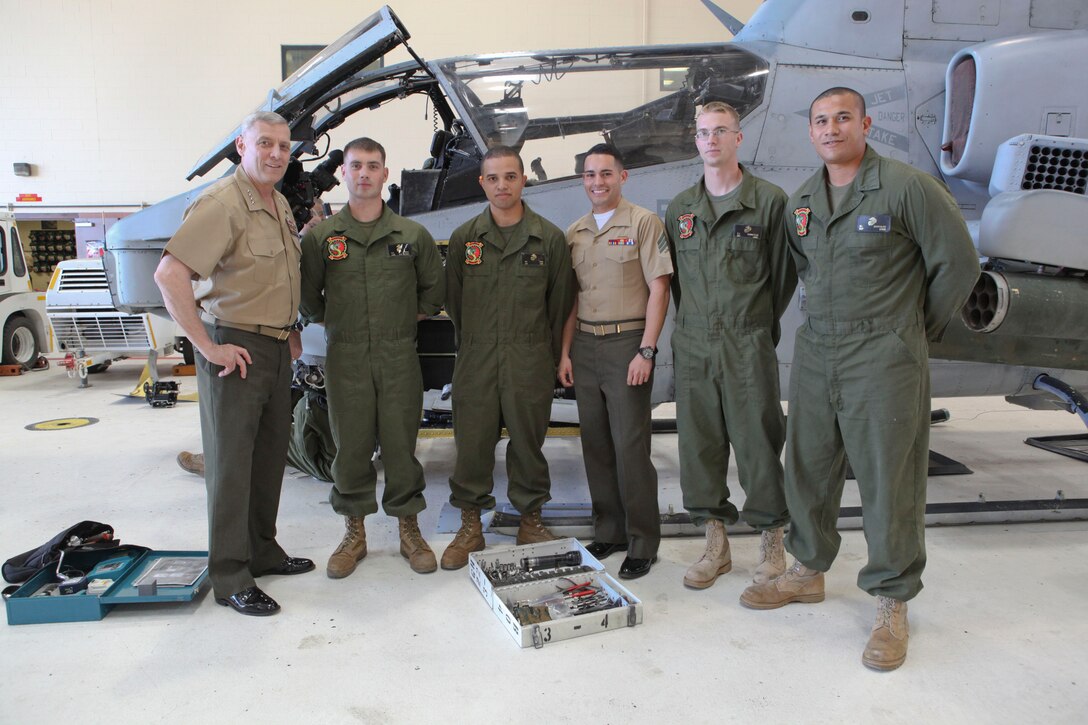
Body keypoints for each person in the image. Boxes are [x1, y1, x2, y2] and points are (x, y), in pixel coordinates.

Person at [739, 87, 980, 671]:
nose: (830, 128)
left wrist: (911, 330)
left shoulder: (906, 187)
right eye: (820, 120)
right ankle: (808, 570)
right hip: (819, 349)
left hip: (884, 354)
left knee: (887, 481)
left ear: (865, 124)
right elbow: (801, 270)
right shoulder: (802, 203)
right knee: (809, 466)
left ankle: (892, 602)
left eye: (842, 118)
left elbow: (959, 264)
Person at [154, 111, 315, 617]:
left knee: (269, 458)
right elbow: (169, 275)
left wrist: (288, 333)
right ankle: (229, 574)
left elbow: (275, 277)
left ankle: (262, 551)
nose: (275, 154)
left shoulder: (279, 202)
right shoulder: (223, 203)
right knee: (230, 465)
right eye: (264, 144)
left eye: (283, 147)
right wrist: (208, 346)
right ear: (242, 148)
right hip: (234, 350)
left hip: (271, 348)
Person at [664, 101, 797, 590]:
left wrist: (754, 323)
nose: (712, 140)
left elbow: (782, 276)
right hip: (694, 341)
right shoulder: (681, 209)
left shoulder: (769, 202)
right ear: (695, 141)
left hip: (747, 341)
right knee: (698, 445)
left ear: (739, 138)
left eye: (722, 131)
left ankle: (771, 541)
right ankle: (715, 545)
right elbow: (676, 282)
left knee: (759, 442)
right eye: (703, 133)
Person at [299, 138, 444, 578]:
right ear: (343, 172)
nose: (364, 173)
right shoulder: (322, 238)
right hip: (345, 356)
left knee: (402, 446)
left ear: (385, 175)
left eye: (373, 166)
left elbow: (433, 295)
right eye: (356, 165)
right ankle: (354, 532)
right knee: (351, 447)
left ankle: (409, 530)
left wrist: (397, 320)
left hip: (400, 354)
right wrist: (349, 325)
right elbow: (310, 303)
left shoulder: (412, 235)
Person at [441, 146, 575, 570]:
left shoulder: (549, 238)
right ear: (482, 182)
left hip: (529, 355)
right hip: (477, 355)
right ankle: (470, 526)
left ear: (522, 180)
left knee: (528, 444)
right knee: (472, 444)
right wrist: (478, 344)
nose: (502, 185)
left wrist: (548, 354)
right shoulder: (465, 239)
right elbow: (455, 303)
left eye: (510, 177)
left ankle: (530, 520)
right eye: (493, 178)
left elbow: (560, 304)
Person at [558, 144, 672, 579]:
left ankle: (643, 541)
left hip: (628, 343)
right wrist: (566, 352)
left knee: (630, 447)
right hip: (586, 346)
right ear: (582, 180)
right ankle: (610, 530)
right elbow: (572, 299)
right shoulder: (575, 232)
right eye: (589, 175)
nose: (597, 182)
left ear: (623, 177)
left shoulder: (643, 223)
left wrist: (646, 349)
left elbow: (659, 288)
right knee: (596, 446)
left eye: (606, 174)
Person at [175, 198, 329, 480]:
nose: (311, 220)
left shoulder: (312, 239)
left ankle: (244, 452)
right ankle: (229, 454)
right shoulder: (232, 207)